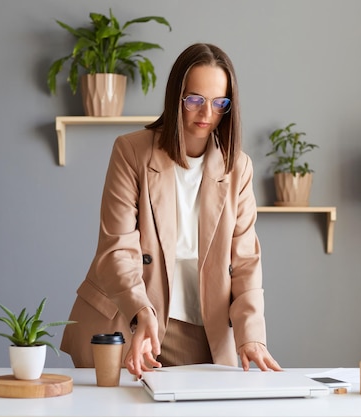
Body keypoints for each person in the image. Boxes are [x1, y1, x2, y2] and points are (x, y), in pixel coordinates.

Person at [60, 43, 282, 377]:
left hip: (205, 325)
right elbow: (117, 248)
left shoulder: (238, 168)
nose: (206, 113)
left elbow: (246, 259)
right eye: (194, 99)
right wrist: (141, 311)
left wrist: (252, 336)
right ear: (175, 97)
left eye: (218, 103)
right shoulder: (131, 151)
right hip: (131, 315)